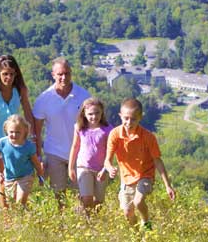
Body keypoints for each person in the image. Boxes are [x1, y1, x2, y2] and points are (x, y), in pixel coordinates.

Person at [104, 98, 176, 230]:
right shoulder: (114, 134)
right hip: (126, 178)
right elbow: (107, 160)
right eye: (126, 118)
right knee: (127, 212)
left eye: (133, 119)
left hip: (145, 175)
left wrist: (168, 186)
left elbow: (158, 161)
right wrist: (110, 168)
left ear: (140, 118)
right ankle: (136, 236)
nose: (129, 122)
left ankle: (147, 223)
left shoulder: (148, 137)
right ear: (120, 116)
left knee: (138, 201)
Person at [0, 54, 35, 209]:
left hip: (16, 140)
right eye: (4, 74)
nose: (8, 77)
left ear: (16, 74)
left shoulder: (20, 90)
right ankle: (6, 215)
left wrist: (32, 137)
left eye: (11, 74)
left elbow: (28, 114)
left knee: (19, 176)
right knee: (3, 179)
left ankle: (18, 208)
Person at [33, 57, 91, 209]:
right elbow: (36, 131)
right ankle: (62, 223)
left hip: (79, 153)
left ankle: (83, 223)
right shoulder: (43, 99)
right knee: (59, 193)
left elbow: (93, 125)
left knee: (83, 193)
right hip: (54, 152)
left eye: (67, 73)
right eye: (60, 74)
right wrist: (38, 156)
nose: (63, 77)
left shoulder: (84, 96)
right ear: (53, 75)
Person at [68, 98, 113, 216]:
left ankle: (93, 219)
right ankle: (88, 222)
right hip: (84, 167)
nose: (94, 116)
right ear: (84, 114)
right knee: (87, 198)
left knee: (98, 202)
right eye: (90, 114)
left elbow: (110, 151)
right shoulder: (80, 127)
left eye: (97, 113)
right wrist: (71, 167)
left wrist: (105, 169)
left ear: (102, 112)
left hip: (101, 169)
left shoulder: (107, 129)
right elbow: (75, 146)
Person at [0, 115, 44, 209]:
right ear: (6, 130)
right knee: (11, 204)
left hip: (26, 176)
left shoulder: (29, 146)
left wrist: (40, 175)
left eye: (18, 132)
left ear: (25, 131)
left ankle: (22, 217)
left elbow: (35, 162)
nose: (14, 135)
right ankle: (23, 217)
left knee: (20, 202)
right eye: (11, 132)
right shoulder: (2, 143)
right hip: (9, 177)